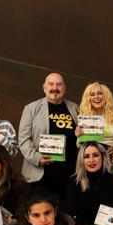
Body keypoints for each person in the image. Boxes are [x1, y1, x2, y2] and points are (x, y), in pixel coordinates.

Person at [18, 72, 80, 200]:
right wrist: (37, 158)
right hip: (39, 175)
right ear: (44, 87)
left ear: (64, 88)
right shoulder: (31, 108)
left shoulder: (76, 109)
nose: (54, 88)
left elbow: (82, 140)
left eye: (59, 84)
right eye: (50, 84)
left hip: (69, 176)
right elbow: (23, 140)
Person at [77, 81, 113, 152]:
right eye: (92, 94)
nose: (96, 97)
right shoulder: (85, 117)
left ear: (106, 96)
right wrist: (79, 136)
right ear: (88, 98)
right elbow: (79, 145)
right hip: (93, 159)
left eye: (100, 93)